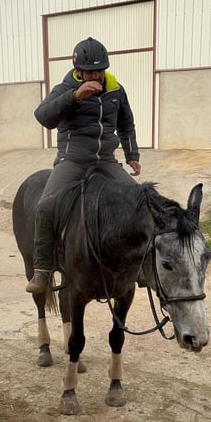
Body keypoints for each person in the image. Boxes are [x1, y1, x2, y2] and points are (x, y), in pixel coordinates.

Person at [26, 37, 142, 294]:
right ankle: (43, 270)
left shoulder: (116, 90)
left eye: (101, 70)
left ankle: (142, 265)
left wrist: (132, 154)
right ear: (78, 70)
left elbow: (126, 123)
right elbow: (43, 116)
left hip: (106, 160)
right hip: (73, 160)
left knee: (142, 201)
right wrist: (74, 97)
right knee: (45, 206)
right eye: (91, 71)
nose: (97, 76)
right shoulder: (66, 86)